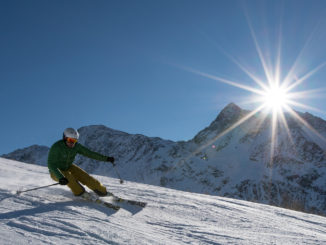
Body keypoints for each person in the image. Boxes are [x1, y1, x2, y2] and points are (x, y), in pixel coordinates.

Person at [47, 128, 115, 197]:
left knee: (86, 177)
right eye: (70, 140)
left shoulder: (76, 147)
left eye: (74, 140)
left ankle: (103, 192)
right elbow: (51, 164)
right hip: (55, 171)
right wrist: (60, 177)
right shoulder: (57, 147)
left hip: (69, 166)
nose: (72, 143)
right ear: (64, 138)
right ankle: (81, 193)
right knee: (69, 178)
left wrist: (106, 159)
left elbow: (90, 153)